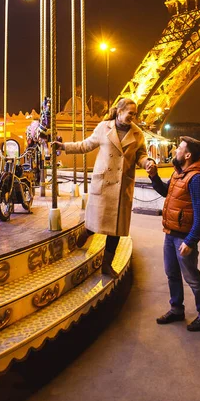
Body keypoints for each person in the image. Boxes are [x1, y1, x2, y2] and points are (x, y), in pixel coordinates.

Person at [53, 98, 154, 278]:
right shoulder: (103, 127)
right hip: (104, 182)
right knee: (96, 222)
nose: (133, 116)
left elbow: (141, 155)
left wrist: (148, 162)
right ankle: (85, 233)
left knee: (116, 230)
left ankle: (107, 265)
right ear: (120, 111)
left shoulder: (138, 134)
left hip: (122, 186)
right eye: (130, 113)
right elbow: (86, 145)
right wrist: (64, 146)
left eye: (135, 113)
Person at [146, 136, 200, 332]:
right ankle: (176, 309)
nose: (175, 150)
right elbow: (166, 192)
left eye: (179, 148)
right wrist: (154, 177)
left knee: (192, 277)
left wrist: (191, 241)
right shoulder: (179, 173)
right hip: (170, 233)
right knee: (172, 274)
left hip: (184, 237)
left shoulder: (197, 179)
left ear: (187, 154)